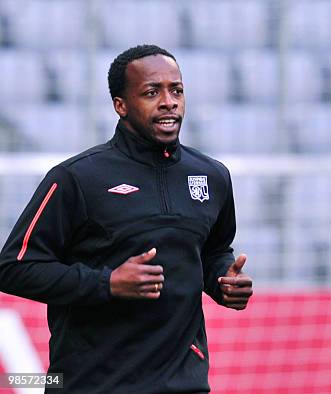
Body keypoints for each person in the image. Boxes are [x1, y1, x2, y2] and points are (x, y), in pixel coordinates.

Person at [0, 44, 253, 393]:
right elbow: (13, 267)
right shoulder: (77, 178)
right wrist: (106, 283)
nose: (169, 101)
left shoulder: (212, 176)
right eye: (152, 92)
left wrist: (223, 280)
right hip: (95, 383)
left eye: (176, 90)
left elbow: (213, 250)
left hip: (184, 383)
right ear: (120, 105)